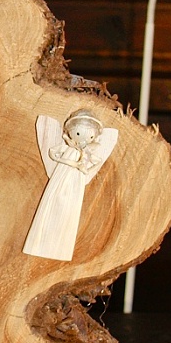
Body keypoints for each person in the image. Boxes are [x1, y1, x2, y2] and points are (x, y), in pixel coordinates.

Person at [23, 109, 118, 261]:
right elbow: (53, 153)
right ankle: (39, 241)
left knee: (70, 212)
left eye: (90, 136)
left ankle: (60, 247)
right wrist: (70, 162)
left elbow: (97, 162)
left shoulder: (86, 153)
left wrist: (86, 169)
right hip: (60, 177)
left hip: (76, 184)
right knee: (50, 204)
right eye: (78, 133)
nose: (83, 139)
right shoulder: (68, 149)